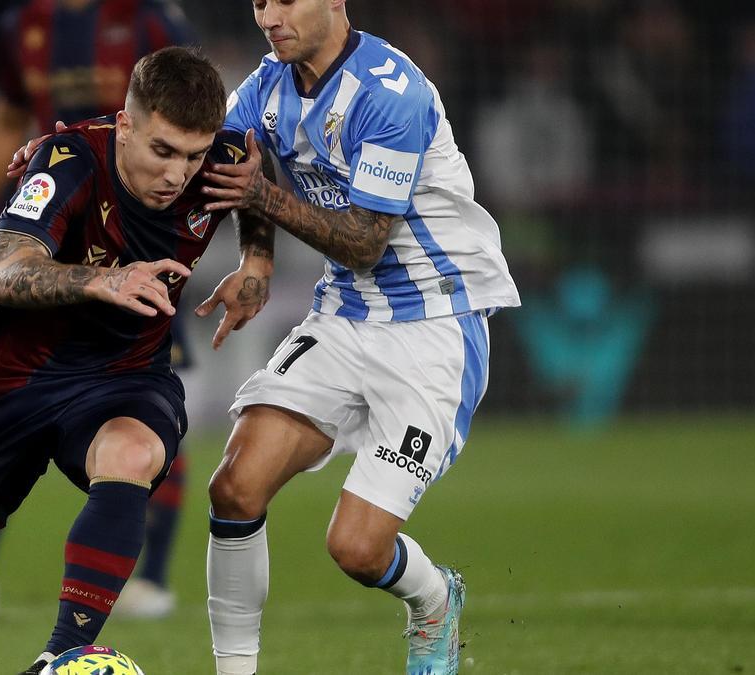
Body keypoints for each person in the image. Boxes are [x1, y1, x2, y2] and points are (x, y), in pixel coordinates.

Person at [0, 47, 272, 675]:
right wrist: (101, 282)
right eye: (163, 151)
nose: (179, 173)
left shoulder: (220, 160)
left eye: (193, 155)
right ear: (126, 125)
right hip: (12, 381)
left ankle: (62, 657)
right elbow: (1, 271)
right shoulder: (66, 162)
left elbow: (256, 185)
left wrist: (256, 263)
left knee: (133, 454)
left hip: (124, 376)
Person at [193, 1, 521, 674]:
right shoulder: (262, 87)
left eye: (286, 1)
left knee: (358, 548)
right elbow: (237, 166)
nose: (269, 18)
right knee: (234, 486)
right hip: (344, 314)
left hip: (435, 327)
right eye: (259, 3)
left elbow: (366, 242)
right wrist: (256, 260)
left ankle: (432, 598)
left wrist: (264, 198)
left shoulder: (389, 92)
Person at [0, 0, 195, 620]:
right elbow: (5, 121)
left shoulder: (147, 19)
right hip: (49, 232)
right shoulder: (22, 27)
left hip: (136, 236)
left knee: (141, 400)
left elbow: (194, 114)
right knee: (12, 386)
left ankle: (149, 578)